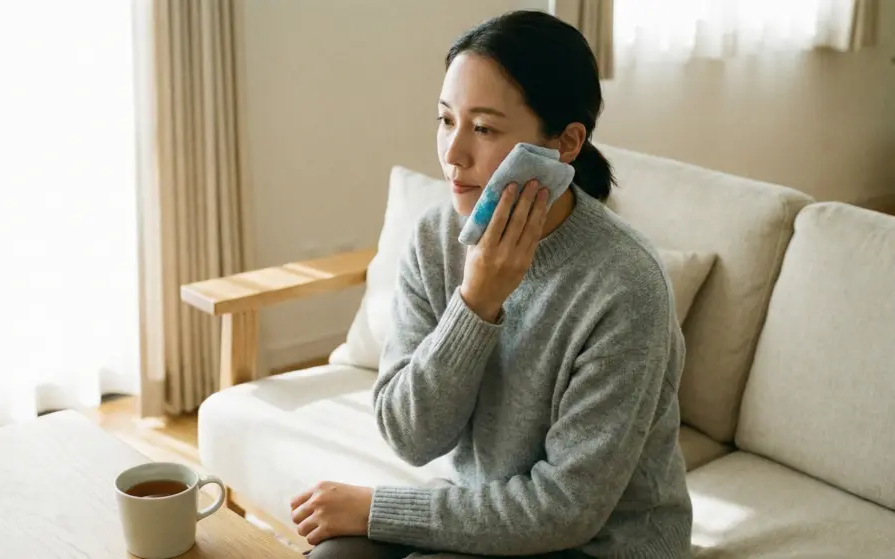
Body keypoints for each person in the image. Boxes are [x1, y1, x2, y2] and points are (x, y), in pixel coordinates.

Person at [290, 10, 692, 558]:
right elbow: (410, 437)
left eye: (483, 128)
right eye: (445, 120)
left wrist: (375, 508)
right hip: (488, 510)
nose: (453, 155)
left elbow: (565, 508)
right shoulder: (435, 238)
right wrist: (475, 303)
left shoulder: (626, 284)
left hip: (602, 544)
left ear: (567, 143)